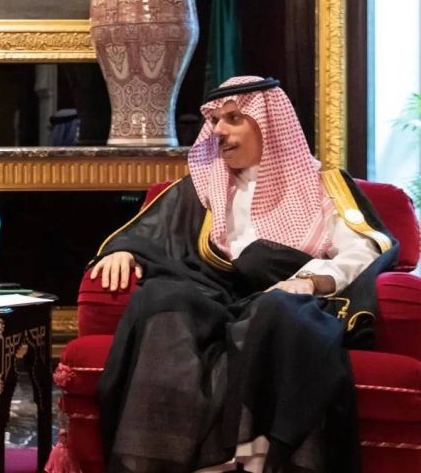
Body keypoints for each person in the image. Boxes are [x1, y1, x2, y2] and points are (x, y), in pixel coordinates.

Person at [89, 76, 397, 473]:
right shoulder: (200, 190)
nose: (219, 130)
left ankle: (259, 460)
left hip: (285, 299)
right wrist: (125, 250)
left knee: (278, 311)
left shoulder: (323, 187)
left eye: (233, 118)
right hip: (211, 297)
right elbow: (150, 232)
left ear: (269, 125)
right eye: (214, 121)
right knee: (162, 297)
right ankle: (160, 461)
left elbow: (364, 248)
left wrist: (312, 280)